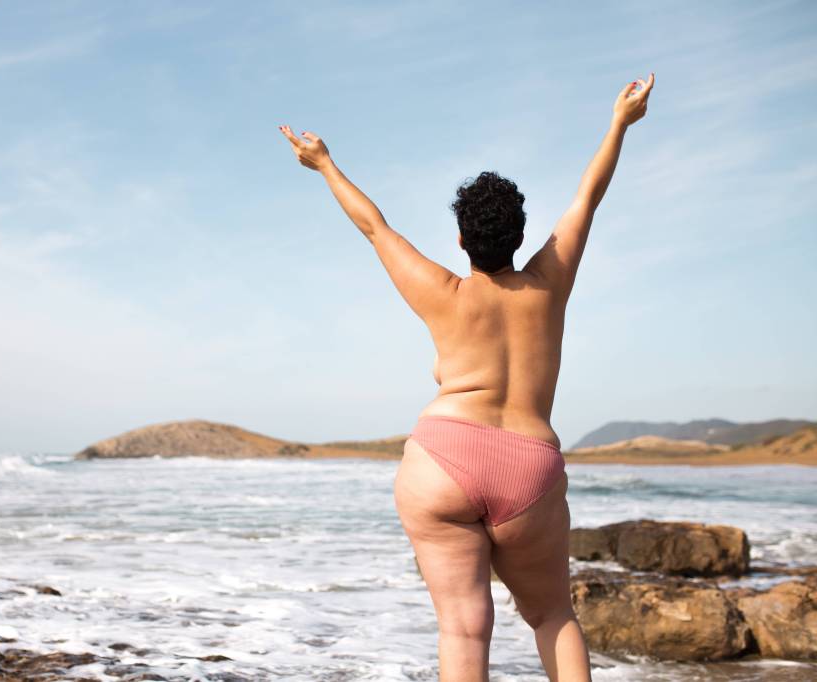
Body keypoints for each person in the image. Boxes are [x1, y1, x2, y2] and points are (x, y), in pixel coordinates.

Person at [279, 72, 655, 681]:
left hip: (443, 459)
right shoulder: (548, 282)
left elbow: (374, 226)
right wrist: (618, 123)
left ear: (460, 239)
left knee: (462, 626)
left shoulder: (444, 292)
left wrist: (323, 164)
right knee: (554, 615)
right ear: (522, 237)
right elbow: (588, 197)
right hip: (529, 465)